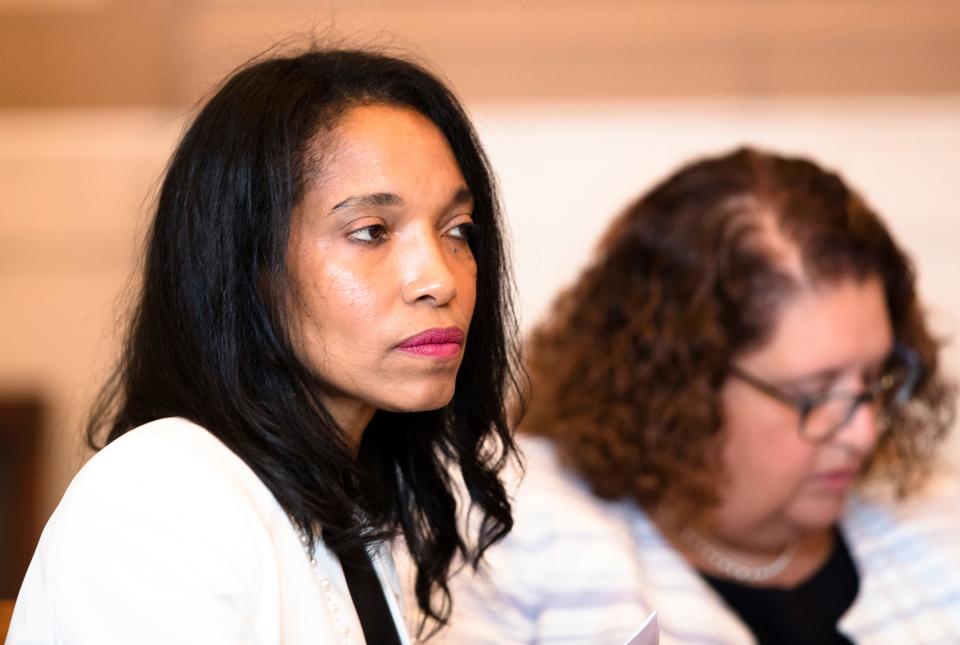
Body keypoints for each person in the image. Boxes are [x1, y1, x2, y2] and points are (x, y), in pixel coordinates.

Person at [8, 48, 523, 644]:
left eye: (457, 231)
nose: (439, 280)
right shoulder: (161, 493)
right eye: (371, 232)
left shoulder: (346, 508)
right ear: (246, 263)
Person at [441, 147, 960, 644]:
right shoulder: (517, 528)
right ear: (680, 386)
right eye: (814, 395)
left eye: (876, 378)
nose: (864, 431)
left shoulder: (937, 524)